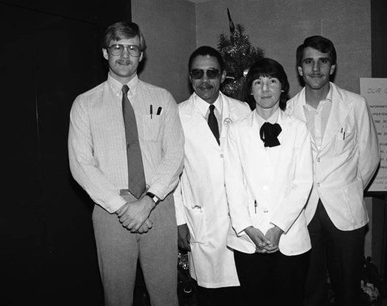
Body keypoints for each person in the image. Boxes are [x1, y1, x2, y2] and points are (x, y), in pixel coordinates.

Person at [68, 21, 184, 306]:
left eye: (132, 48)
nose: (124, 54)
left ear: (141, 55)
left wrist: (147, 202)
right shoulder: (85, 103)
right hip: (110, 211)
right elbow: (81, 164)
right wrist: (123, 207)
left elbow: (175, 155)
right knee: (117, 297)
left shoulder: (162, 98)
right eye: (117, 47)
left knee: (166, 296)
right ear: (105, 53)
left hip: (158, 208)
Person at [286, 35, 380, 306]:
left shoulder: (355, 105)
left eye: (323, 61)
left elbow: (370, 156)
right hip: (303, 213)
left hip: (344, 209)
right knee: (309, 287)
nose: (316, 69)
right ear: (300, 69)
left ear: (333, 67)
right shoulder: (288, 111)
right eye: (309, 61)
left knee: (348, 288)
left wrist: (348, 187)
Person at [224, 58, 313, 306]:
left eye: (272, 81)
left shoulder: (298, 129)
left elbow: (303, 183)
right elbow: (233, 182)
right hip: (248, 239)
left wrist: (277, 228)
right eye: (258, 82)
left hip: (290, 238)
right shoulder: (236, 130)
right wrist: (248, 228)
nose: (265, 89)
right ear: (250, 88)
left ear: (283, 87)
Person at [173, 46, 250, 306]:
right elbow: (171, 175)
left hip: (241, 220)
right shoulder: (177, 115)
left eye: (211, 73)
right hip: (202, 219)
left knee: (244, 291)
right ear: (189, 77)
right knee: (209, 295)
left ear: (224, 75)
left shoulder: (242, 111)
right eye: (197, 73)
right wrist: (179, 221)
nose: (204, 80)